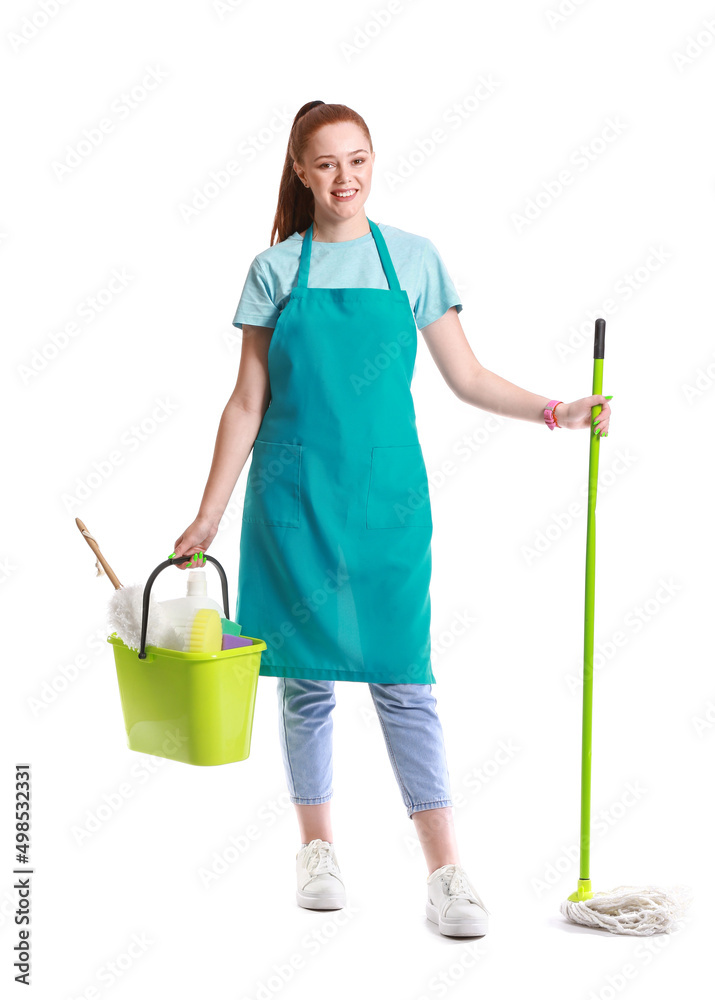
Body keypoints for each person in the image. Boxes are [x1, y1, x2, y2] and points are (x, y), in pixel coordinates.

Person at [172, 100, 612, 938]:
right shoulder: (274, 269)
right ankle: (317, 852)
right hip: (292, 503)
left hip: (387, 506)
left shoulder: (411, 260)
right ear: (300, 172)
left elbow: (469, 378)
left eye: (359, 159)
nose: (345, 178)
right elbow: (245, 401)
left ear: (374, 162)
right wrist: (207, 513)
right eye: (327, 163)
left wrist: (557, 412)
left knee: (404, 681)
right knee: (303, 683)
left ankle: (445, 872)